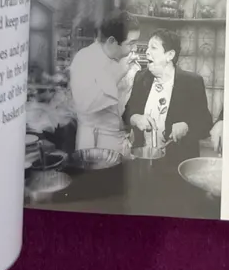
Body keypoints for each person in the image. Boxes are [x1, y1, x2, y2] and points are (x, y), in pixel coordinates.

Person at [124, 29, 213, 169]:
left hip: (176, 166)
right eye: (148, 47)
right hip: (143, 162)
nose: (147, 52)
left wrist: (187, 126)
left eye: (153, 47)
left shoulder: (192, 82)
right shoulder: (141, 78)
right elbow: (127, 113)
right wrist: (135, 118)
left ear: (170, 55)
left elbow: (205, 123)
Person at [67, 10, 141, 152]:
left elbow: (128, 100)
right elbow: (85, 104)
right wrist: (118, 74)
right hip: (95, 142)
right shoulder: (85, 59)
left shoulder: (124, 59)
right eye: (131, 43)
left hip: (122, 139)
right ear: (112, 41)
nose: (135, 49)